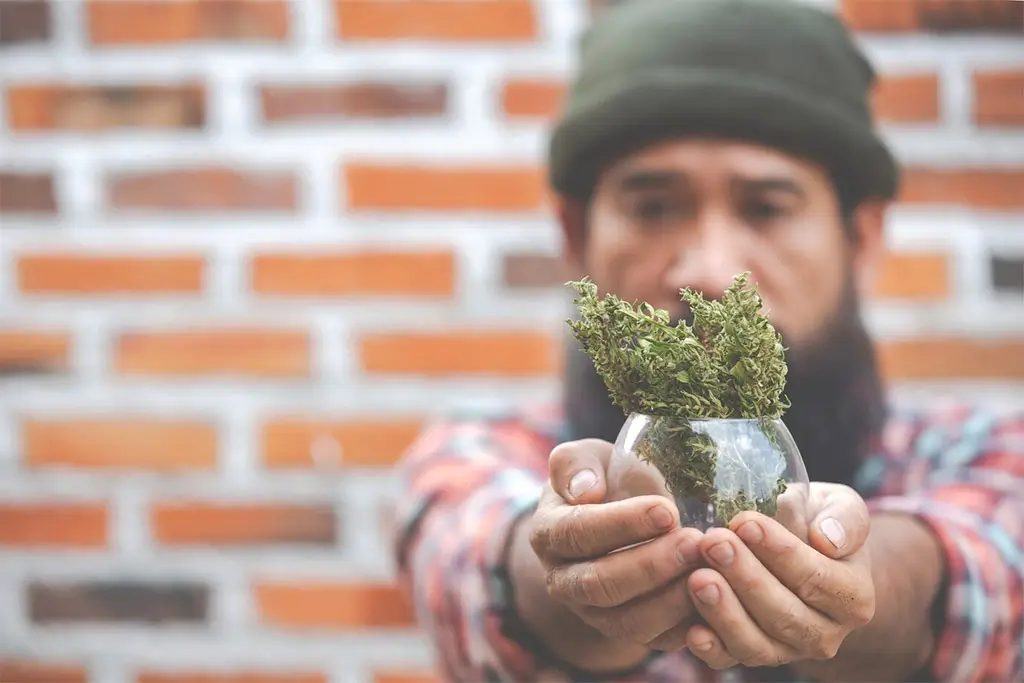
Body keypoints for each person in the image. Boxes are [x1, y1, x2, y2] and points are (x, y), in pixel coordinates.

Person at [389, 0, 1024, 681]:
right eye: (653, 207)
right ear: (575, 235)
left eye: (767, 207)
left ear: (859, 239)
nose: (710, 273)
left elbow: (987, 556)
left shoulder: (980, 452)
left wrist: (865, 578)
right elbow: (476, 552)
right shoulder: (476, 452)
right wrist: (573, 567)